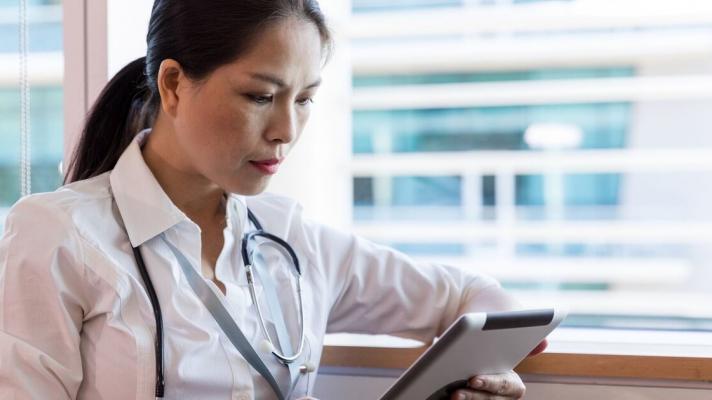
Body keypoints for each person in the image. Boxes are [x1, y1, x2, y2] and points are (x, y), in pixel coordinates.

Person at [0, 1, 545, 399]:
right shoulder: (57, 234)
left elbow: (475, 297)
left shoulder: (291, 237)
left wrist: (484, 372)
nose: (287, 129)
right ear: (172, 86)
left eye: (305, 99)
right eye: (260, 96)